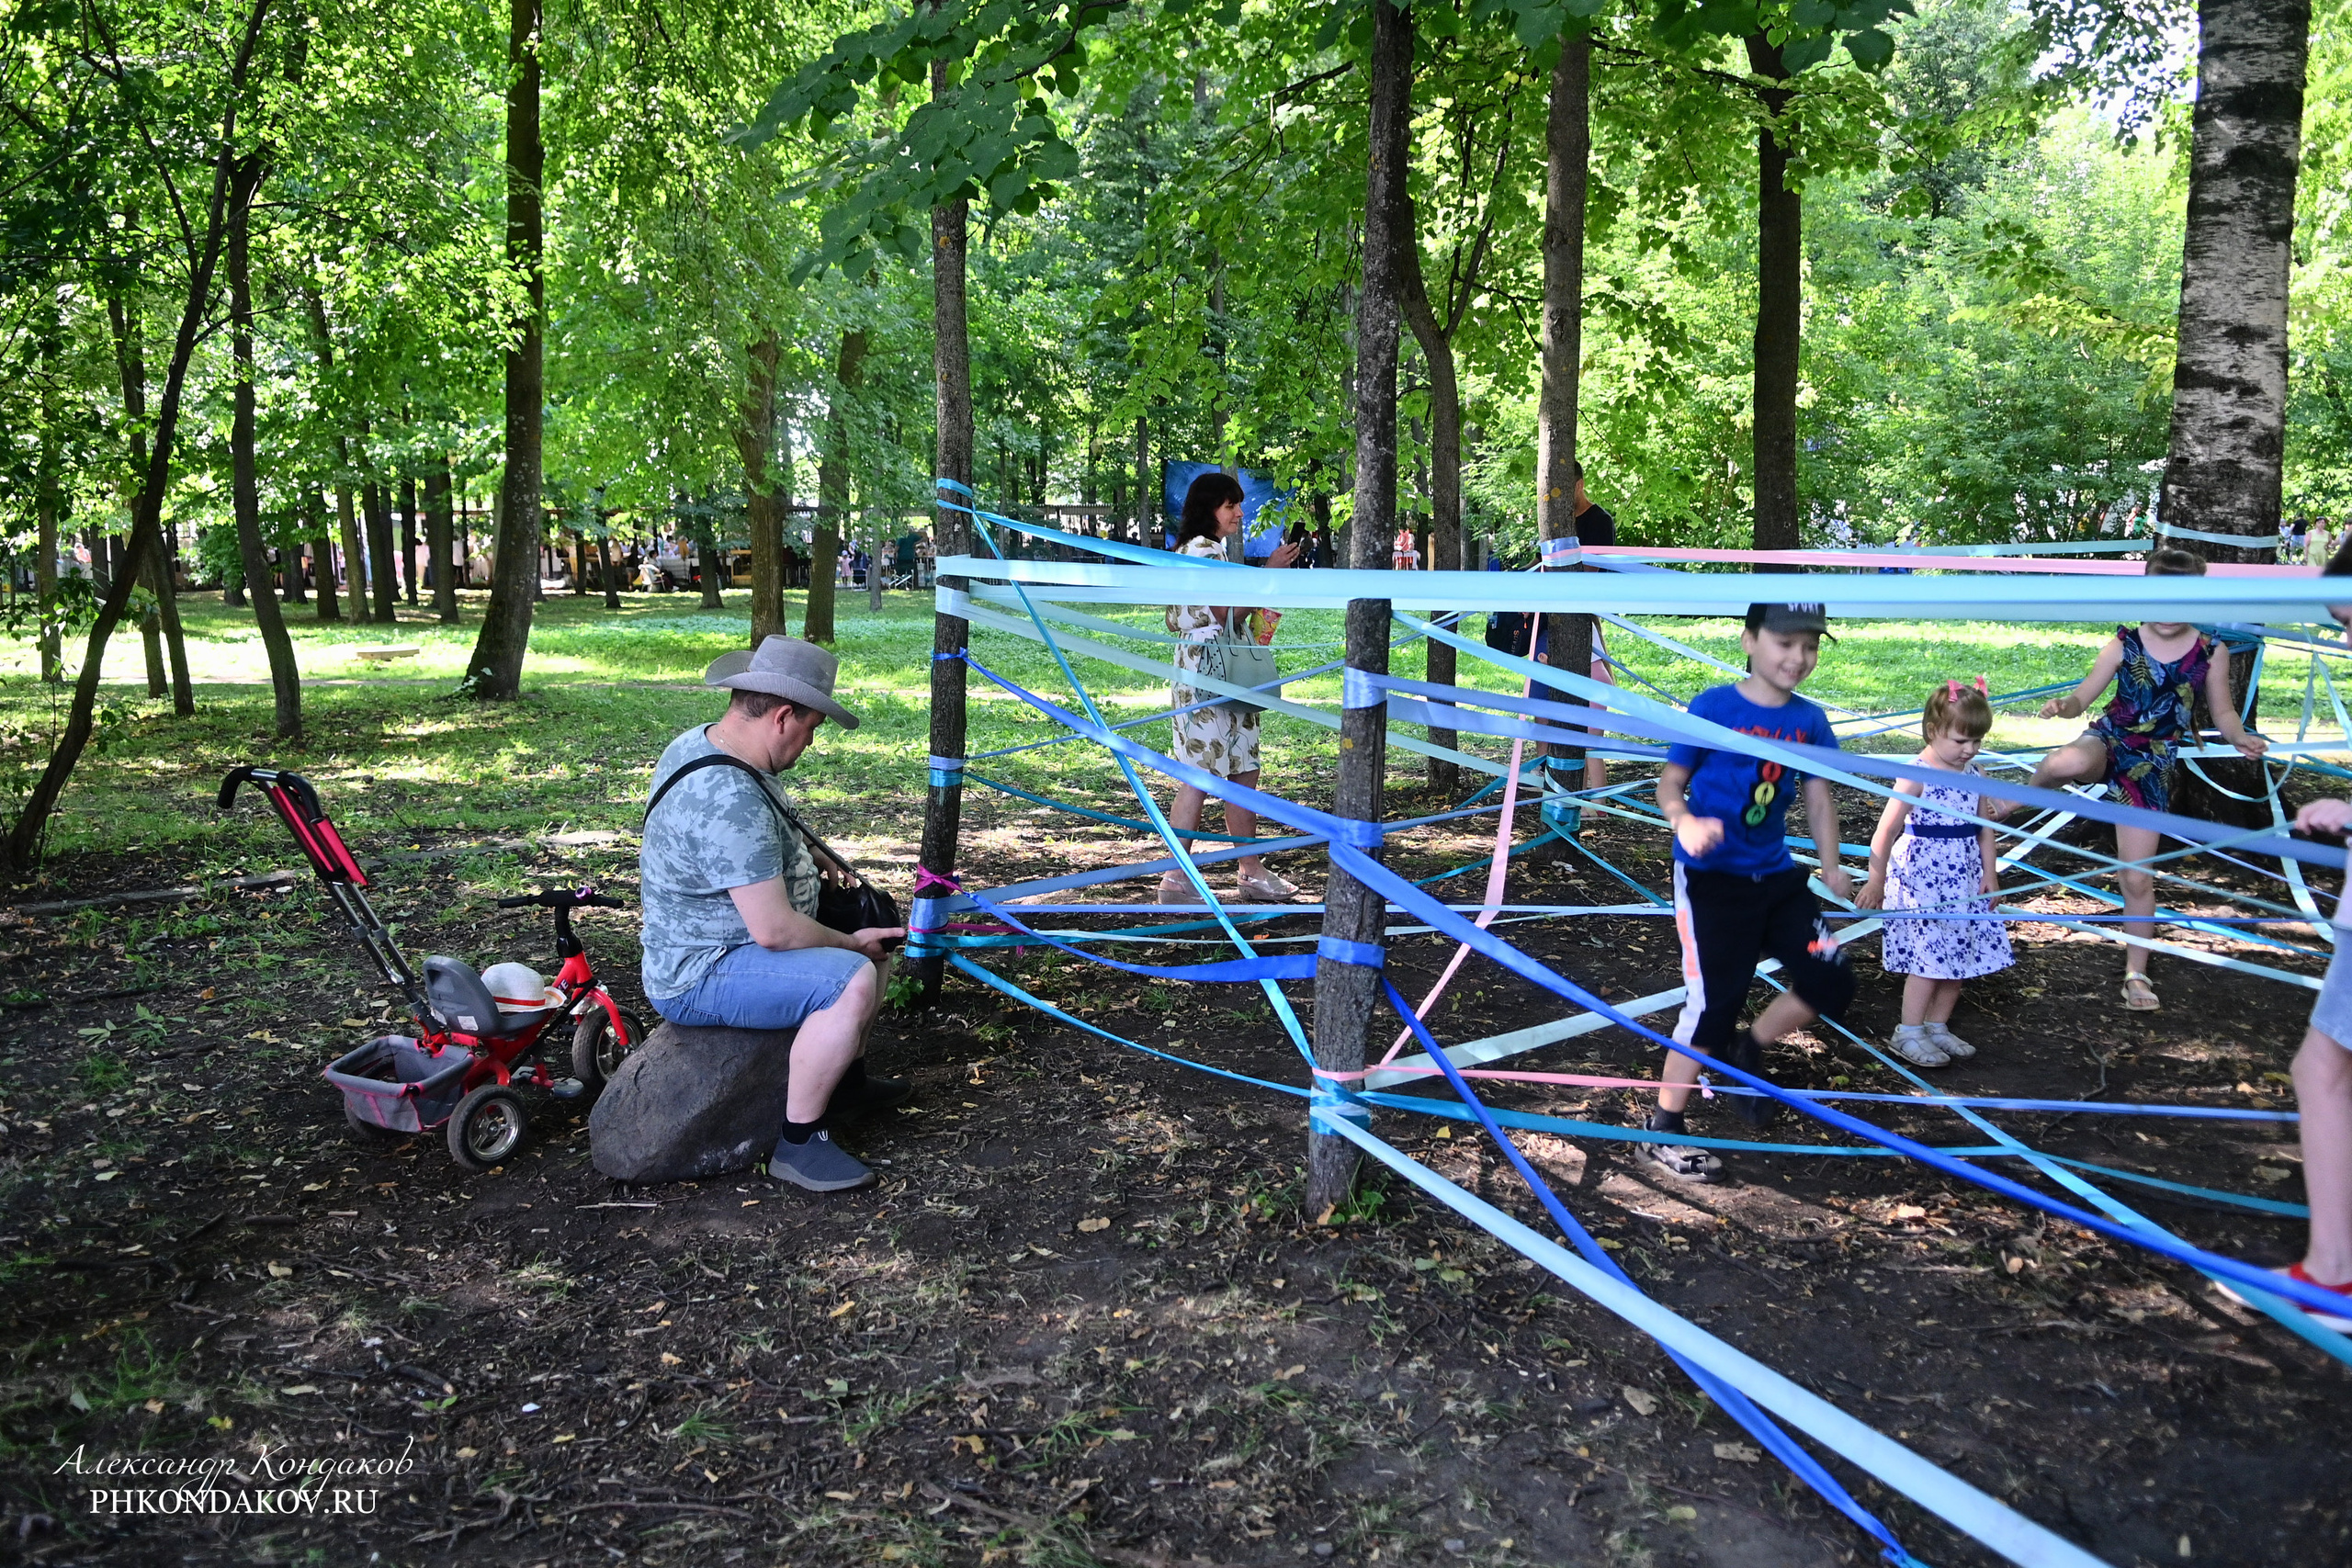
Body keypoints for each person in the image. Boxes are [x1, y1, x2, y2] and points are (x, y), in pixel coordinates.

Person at [639, 637, 909, 1192]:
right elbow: (776, 931)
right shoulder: (728, 797)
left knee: (873, 937)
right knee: (854, 974)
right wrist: (850, 945)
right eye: (811, 728)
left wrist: (806, 851)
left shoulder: (710, 743)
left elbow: (744, 843)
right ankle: (800, 1143)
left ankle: (842, 1082)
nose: (810, 742)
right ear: (783, 716)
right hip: (702, 969)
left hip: (734, 941)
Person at [1643, 603, 1858, 1184]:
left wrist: (1832, 866)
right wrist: (1684, 821)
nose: (1799, 657)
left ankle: (1748, 1049)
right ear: (1748, 641)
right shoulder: (1713, 707)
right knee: (1712, 1007)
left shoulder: (1809, 720)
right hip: (1712, 883)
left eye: (1810, 646)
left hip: (1778, 882)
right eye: (1785, 643)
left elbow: (1818, 797)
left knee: (1831, 978)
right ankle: (1663, 1130)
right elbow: (1671, 783)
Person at [2027, 547, 2267, 1010]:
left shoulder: (2211, 651)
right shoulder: (2123, 644)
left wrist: (2241, 737)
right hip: (2109, 741)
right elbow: (2082, 698)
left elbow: (2223, 713)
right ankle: (2013, 803)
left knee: (2136, 878)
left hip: (2152, 766)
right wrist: (2063, 706)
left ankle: (2136, 974)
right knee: (2060, 764)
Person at [1855, 679, 2015, 1066]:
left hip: (1964, 878)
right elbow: (1886, 830)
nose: (1970, 749)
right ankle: (1908, 1031)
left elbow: (1984, 829)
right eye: (1961, 740)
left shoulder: (1974, 774)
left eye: (1977, 741)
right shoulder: (1917, 774)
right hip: (1922, 880)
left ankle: (1936, 1025)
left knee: (1960, 956)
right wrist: (1876, 879)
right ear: (1932, 731)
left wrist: (1990, 875)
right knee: (1929, 959)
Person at [1161, 471, 1301, 905]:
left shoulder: (1198, 550)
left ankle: (1249, 871)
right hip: (1213, 671)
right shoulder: (1204, 550)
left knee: (1241, 770)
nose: (1239, 512)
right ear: (1210, 510)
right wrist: (1268, 573)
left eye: (1238, 504)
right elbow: (1225, 616)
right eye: (1230, 505)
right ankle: (1175, 879)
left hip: (1217, 669)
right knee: (1200, 773)